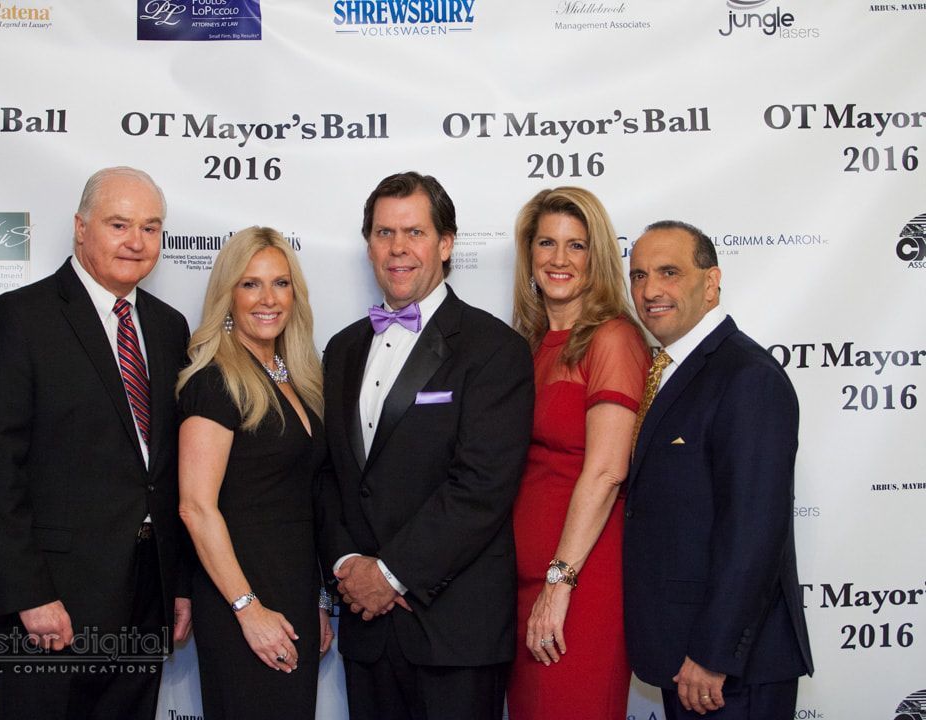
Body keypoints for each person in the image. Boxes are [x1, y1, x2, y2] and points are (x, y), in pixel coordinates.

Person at [0, 166, 192, 720]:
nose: (137, 242)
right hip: (49, 604)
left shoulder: (168, 327)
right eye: (119, 224)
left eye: (152, 227)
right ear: (80, 228)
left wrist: (177, 584)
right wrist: (28, 595)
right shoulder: (19, 317)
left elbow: (169, 471)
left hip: (143, 595)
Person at [316, 171, 534, 720]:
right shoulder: (342, 349)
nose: (398, 249)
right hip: (367, 629)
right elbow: (332, 476)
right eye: (384, 233)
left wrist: (387, 575)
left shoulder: (494, 349)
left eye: (413, 232)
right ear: (368, 244)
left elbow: (481, 487)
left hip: (453, 631)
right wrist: (348, 566)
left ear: (445, 243)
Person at [624, 221, 813, 719]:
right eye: (638, 275)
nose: (650, 290)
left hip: (728, 671)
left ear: (711, 283)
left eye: (669, 272)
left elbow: (753, 531)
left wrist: (712, 654)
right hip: (685, 658)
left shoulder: (748, 377)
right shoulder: (670, 369)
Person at [176, 227, 332, 720]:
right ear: (227, 294)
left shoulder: (296, 376)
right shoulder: (214, 380)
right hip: (241, 599)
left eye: (281, 283)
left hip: (293, 594)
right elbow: (195, 507)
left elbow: (299, 499)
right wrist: (249, 609)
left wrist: (318, 598)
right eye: (250, 284)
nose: (268, 299)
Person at [505, 187, 650, 719]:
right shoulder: (528, 343)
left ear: (598, 258)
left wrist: (558, 583)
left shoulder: (611, 338)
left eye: (577, 245)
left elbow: (609, 471)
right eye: (547, 243)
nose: (559, 259)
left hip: (578, 585)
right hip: (523, 583)